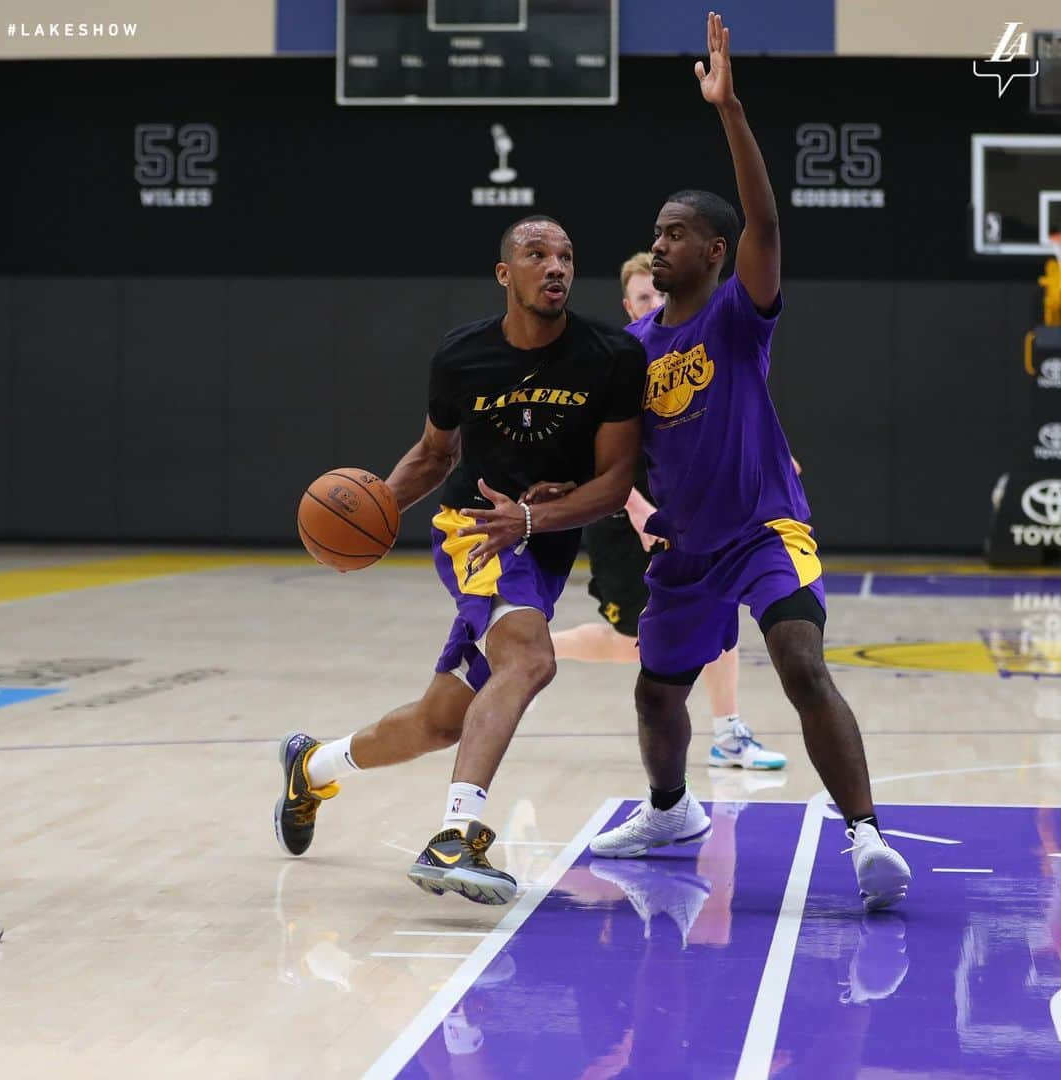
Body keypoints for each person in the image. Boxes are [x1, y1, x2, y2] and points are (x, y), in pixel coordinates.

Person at [586, 13, 910, 910]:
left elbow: (765, 215)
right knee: (657, 698)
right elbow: (621, 463)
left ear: (716, 251)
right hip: (688, 549)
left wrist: (729, 113)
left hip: (766, 529)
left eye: (677, 232)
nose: (661, 242)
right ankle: (670, 811)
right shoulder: (633, 348)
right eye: (657, 230)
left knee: (802, 663)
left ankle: (867, 837)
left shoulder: (737, 313)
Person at [273, 215, 647, 905]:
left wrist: (539, 514)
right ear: (506, 274)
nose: (556, 266)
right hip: (474, 529)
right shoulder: (462, 355)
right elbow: (432, 455)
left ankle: (313, 765)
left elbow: (615, 483)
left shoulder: (611, 355)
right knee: (531, 660)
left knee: (442, 721)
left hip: (543, 538)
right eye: (537, 255)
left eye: (565, 255)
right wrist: (370, 515)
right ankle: (456, 835)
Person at [551, 251, 787, 771]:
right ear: (627, 304)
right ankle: (535, 648)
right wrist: (635, 507)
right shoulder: (617, 362)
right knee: (636, 644)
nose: (653, 302)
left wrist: (770, 456)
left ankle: (728, 733)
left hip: (684, 519)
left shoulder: (687, 351)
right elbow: (586, 457)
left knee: (717, 614)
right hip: (623, 519)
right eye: (642, 297)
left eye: (657, 294)